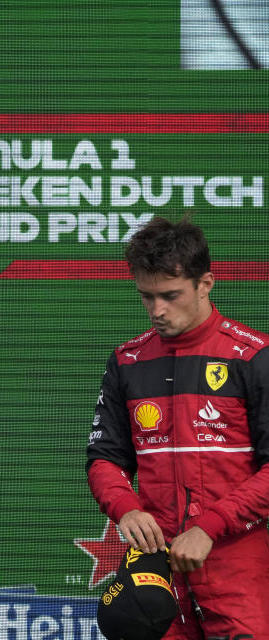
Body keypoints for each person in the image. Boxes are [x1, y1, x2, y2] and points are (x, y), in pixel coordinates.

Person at [86, 216, 269, 638]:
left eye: (170, 295)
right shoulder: (128, 362)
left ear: (206, 283)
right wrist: (125, 507)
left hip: (235, 561)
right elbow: (105, 458)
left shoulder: (252, 358)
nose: (157, 311)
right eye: (146, 297)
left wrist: (210, 526)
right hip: (154, 567)